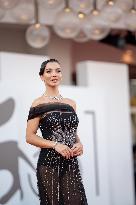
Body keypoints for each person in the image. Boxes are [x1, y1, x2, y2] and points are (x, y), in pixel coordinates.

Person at [26, 58, 88, 205]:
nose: (54, 74)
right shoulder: (38, 103)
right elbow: (29, 136)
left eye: (58, 71)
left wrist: (79, 143)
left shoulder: (71, 103)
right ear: (42, 76)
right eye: (49, 71)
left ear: (61, 75)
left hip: (71, 163)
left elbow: (71, 132)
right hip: (49, 164)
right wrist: (56, 145)